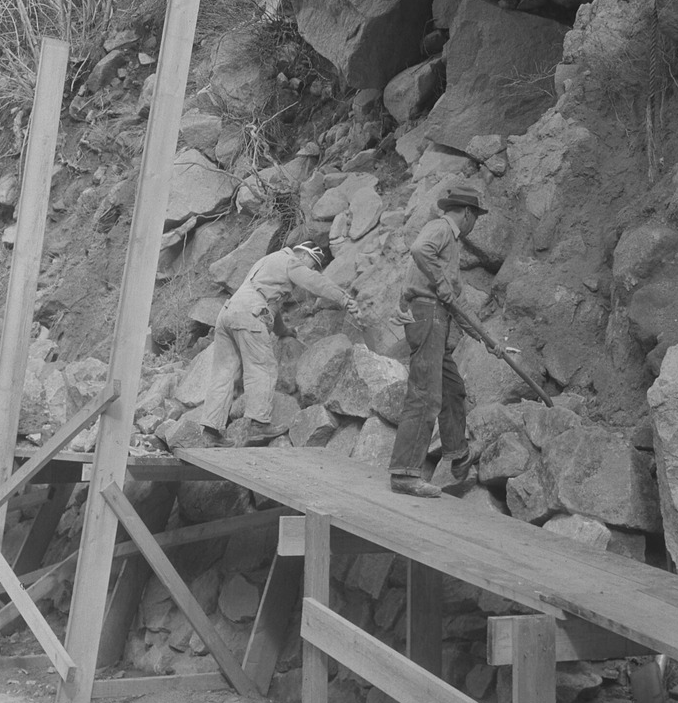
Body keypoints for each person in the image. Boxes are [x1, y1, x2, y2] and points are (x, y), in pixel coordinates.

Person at [200, 224, 361, 442]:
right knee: (261, 367)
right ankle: (258, 423)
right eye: (311, 264)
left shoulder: (268, 261)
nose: (311, 269)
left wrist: (283, 331)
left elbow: (268, 306)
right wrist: (343, 298)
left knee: (223, 373)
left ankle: (210, 432)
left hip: (228, 313)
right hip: (249, 315)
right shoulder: (291, 261)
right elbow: (314, 282)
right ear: (304, 254)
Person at [389, 180, 485, 499]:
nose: (474, 225)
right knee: (425, 394)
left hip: (436, 315)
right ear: (468, 214)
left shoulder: (448, 242)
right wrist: (442, 283)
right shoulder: (442, 228)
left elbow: (455, 303)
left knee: (452, 388)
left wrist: (488, 340)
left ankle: (457, 455)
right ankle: (404, 474)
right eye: (476, 218)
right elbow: (419, 251)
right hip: (428, 314)